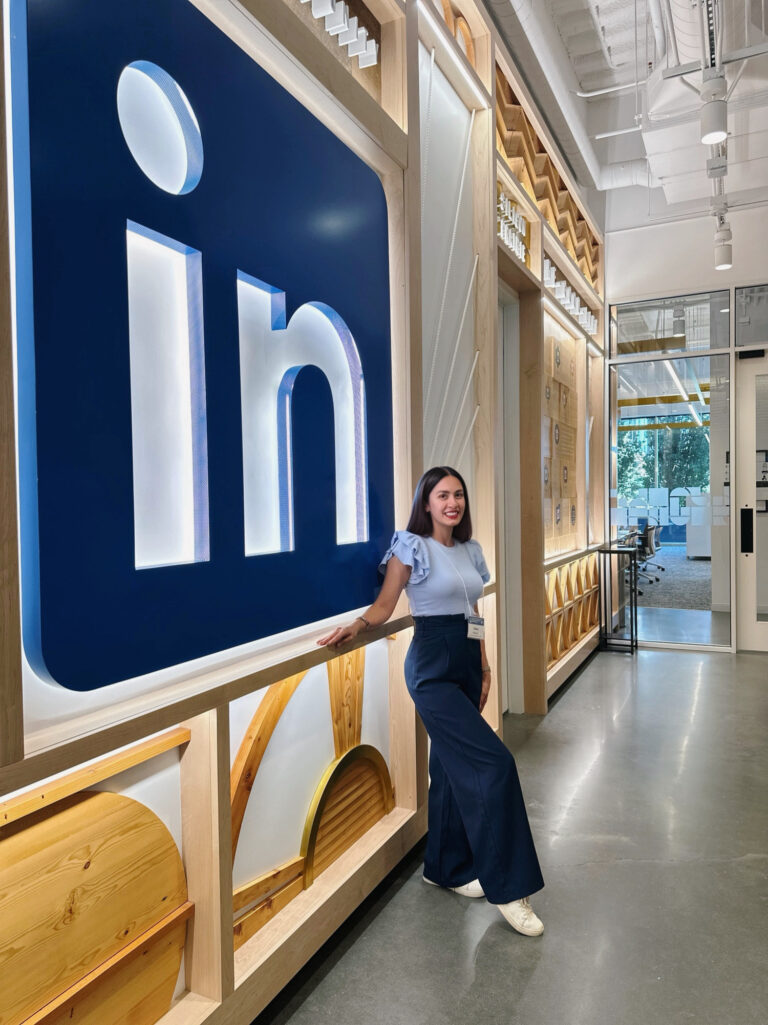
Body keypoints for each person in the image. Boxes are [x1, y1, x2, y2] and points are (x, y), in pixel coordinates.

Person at [318, 466, 545, 936]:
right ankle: (510, 889)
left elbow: (473, 611)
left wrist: (484, 666)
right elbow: (386, 605)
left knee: (447, 766)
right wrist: (357, 626)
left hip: (466, 660)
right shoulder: (411, 547)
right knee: (495, 764)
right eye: (442, 495)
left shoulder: (469, 549)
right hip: (431, 666)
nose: (452, 503)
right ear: (426, 502)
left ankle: (444, 867)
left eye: (458, 494)